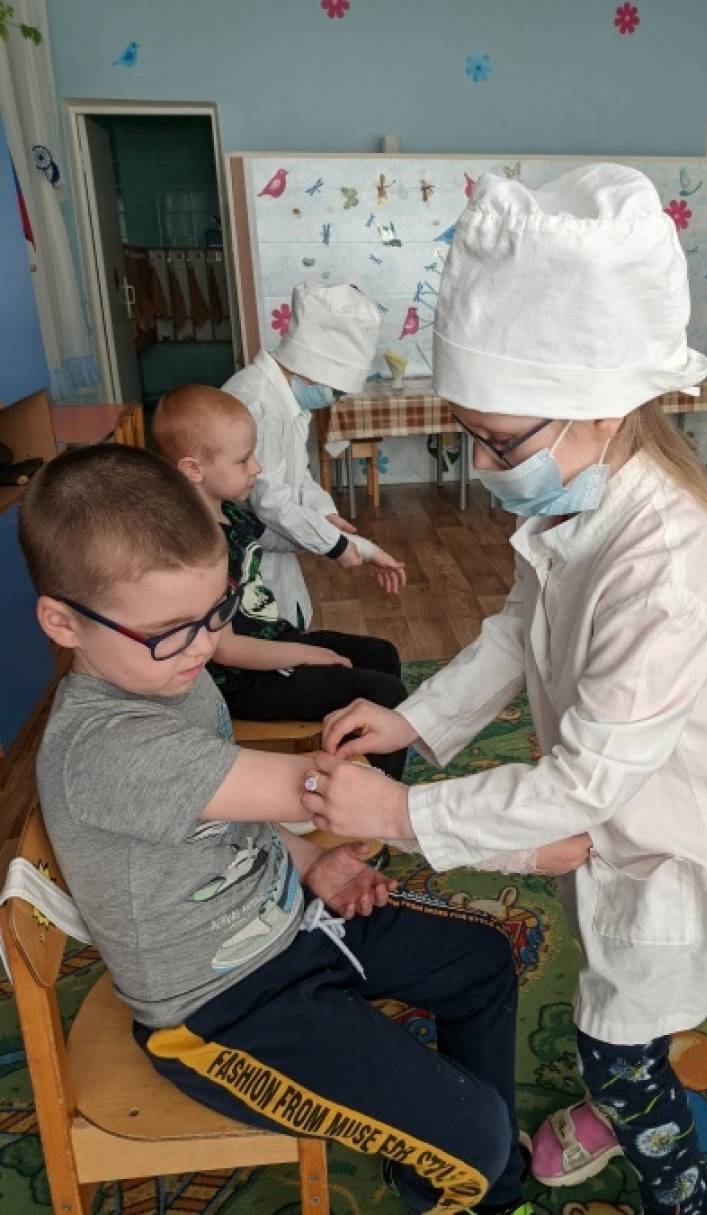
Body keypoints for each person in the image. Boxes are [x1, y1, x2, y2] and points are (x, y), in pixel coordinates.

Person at [294, 164, 707, 1215]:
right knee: (615, 979)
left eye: (498, 439)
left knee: (621, 1033)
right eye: (469, 431)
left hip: (670, 836)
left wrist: (401, 813)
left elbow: (585, 784)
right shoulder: (574, 502)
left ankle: (678, 1184)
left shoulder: (664, 569)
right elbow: (519, 629)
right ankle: (619, 1096)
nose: (480, 463)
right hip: (611, 813)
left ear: (600, 410)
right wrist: (414, 718)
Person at [19, 443, 591, 1215]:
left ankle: (449, 1165)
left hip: (286, 921)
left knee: (482, 960)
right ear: (62, 621)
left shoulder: (166, 674)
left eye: (214, 612)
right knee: (482, 1137)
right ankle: (479, 1177)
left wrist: (305, 861)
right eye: (169, 631)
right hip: (223, 1009)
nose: (202, 646)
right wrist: (517, 846)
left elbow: (218, 815)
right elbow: (313, 790)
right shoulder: (107, 747)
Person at [153, 383, 408, 779]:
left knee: (382, 655)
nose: (256, 467)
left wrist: (360, 548)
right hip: (243, 680)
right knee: (384, 694)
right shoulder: (194, 547)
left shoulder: (232, 515)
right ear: (193, 470)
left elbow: (285, 538)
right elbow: (226, 650)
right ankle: (366, 793)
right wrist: (305, 655)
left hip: (273, 642)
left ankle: (361, 767)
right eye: (243, 460)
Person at [223, 281, 405, 628]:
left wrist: (325, 513)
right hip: (253, 544)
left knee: (293, 622)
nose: (333, 400)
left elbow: (298, 474)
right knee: (273, 634)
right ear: (311, 368)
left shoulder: (287, 398)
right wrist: (338, 545)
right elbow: (271, 502)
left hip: (275, 541)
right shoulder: (258, 403)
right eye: (335, 391)